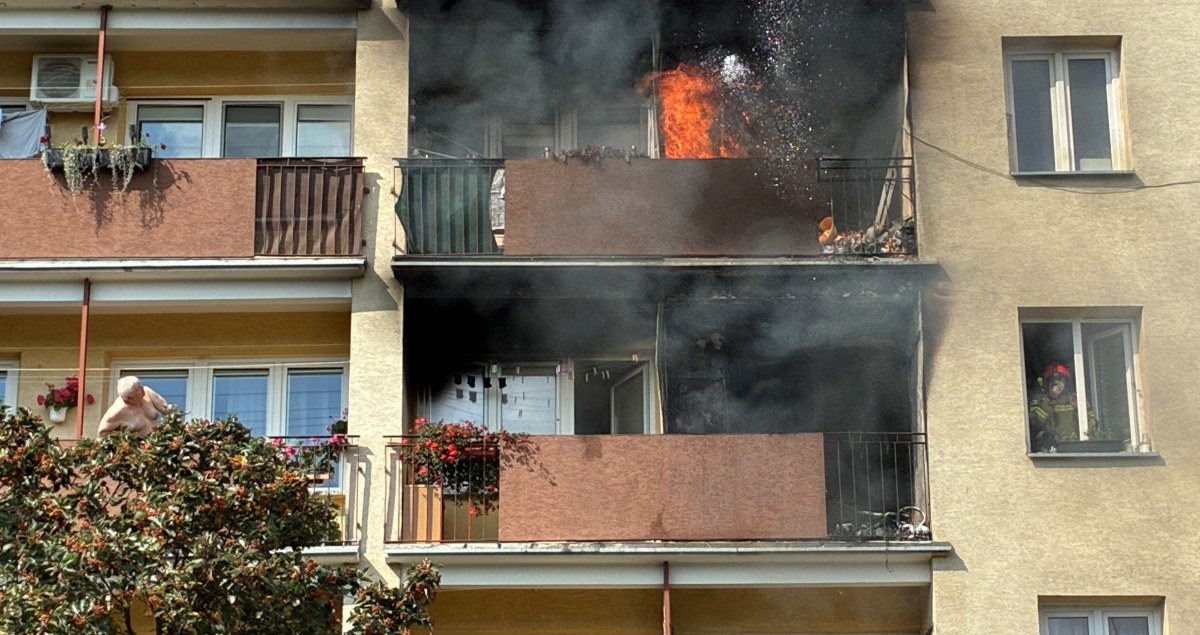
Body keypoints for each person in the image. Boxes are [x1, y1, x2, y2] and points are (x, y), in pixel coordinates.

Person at [1028, 362, 1096, 452]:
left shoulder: (1076, 399)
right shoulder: (1040, 400)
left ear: (1066, 382)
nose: (1056, 383)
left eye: (1060, 379)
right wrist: (1051, 402)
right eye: (1051, 380)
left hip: (1075, 449)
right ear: (1046, 383)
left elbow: (1093, 426)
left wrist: (1078, 408)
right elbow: (1035, 422)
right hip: (1050, 450)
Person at [97, 376, 169, 437]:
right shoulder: (118, 410)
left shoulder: (147, 392)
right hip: (140, 450)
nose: (142, 389)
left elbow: (168, 409)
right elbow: (102, 432)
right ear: (129, 398)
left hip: (160, 442)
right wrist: (126, 439)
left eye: (139, 386)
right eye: (137, 390)